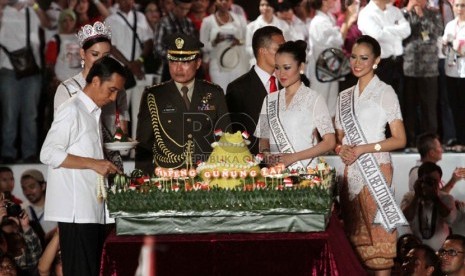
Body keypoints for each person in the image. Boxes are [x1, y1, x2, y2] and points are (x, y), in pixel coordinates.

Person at [40, 56, 125, 276]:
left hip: (90, 210)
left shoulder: (91, 113)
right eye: (111, 90)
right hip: (77, 214)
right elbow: (48, 152)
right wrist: (94, 163)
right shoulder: (72, 110)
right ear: (95, 81)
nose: (113, 97)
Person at [335, 35, 407, 274]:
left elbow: (400, 139)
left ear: (376, 60)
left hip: (375, 166)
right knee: (354, 233)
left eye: (364, 58)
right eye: (354, 57)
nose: (357, 62)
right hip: (350, 170)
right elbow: (338, 138)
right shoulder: (344, 96)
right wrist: (340, 148)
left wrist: (365, 148)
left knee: (379, 234)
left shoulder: (385, 92)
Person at [135, 33, 230, 174]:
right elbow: (144, 144)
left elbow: (226, 138)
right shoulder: (154, 95)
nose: (178, 68)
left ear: (197, 63)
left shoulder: (214, 93)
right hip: (168, 177)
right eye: (173, 62)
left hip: (207, 176)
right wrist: (142, 179)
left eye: (185, 62)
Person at [54, 21, 129, 170]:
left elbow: (122, 128)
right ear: (83, 53)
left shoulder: (117, 88)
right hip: (82, 162)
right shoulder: (67, 89)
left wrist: (119, 139)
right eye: (95, 54)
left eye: (106, 55)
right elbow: (60, 137)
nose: (100, 60)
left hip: (111, 160)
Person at [254, 40, 336, 169]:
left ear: (301, 67)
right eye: (277, 68)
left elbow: (330, 142)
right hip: (276, 173)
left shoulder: (314, 98)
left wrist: (293, 157)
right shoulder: (269, 100)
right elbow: (263, 137)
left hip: (306, 173)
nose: (281, 74)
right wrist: (266, 154)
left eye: (287, 67)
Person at [0, 0, 51, 163]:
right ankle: (8, 153)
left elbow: (48, 24)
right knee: (9, 114)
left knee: (31, 114)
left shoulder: (31, 10)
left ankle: (29, 153)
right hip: (8, 68)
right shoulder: (3, 11)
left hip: (32, 68)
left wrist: (35, 5)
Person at [226, 26, 285, 155]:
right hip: (255, 165)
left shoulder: (290, 83)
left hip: (291, 162)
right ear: (262, 51)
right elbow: (234, 134)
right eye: (279, 49)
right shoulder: (238, 89)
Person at [105, 0, 154, 139]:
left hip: (139, 70)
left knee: (140, 110)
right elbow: (110, 46)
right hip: (120, 70)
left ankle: (137, 148)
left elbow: (148, 41)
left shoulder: (140, 17)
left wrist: (139, 61)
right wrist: (129, 64)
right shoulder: (110, 19)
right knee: (119, 110)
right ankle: (120, 147)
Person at [402, 0, 443, 148]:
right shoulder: (403, 14)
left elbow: (437, 32)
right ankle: (410, 141)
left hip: (429, 67)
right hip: (410, 66)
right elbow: (402, 33)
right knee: (410, 107)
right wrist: (408, 11)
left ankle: (431, 142)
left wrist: (422, 16)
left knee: (429, 108)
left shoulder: (434, 13)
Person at [357, 0, 411, 100]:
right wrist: (397, 31)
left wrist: (386, 29)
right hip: (379, 66)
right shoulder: (366, 13)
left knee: (398, 103)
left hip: (397, 63)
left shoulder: (395, 11)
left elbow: (407, 30)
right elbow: (378, 35)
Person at [199, 0, 248, 92]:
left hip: (238, 63)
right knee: (220, 94)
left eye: (227, 0)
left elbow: (247, 40)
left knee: (237, 94)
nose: (224, 2)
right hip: (217, 65)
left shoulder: (240, 19)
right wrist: (215, 42)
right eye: (221, 0)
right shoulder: (207, 21)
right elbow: (202, 46)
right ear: (215, 2)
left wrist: (239, 41)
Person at [402, 172, 457, 251]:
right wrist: (416, 196)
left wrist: (435, 198)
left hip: (441, 251)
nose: (427, 186)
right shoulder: (409, 197)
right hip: (416, 251)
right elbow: (405, 219)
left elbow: (450, 219)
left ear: (438, 184)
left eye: (431, 182)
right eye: (423, 182)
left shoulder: (446, 198)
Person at [153, 0, 196, 82]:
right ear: (174, 6)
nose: (184, 12)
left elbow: (193, 44)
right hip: (168, 68)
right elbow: (158, 48)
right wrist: (175, 57)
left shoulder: (188, 22)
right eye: (182, 8)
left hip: (186, 67)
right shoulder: (164, 22)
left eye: (187, 9)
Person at [443, 0, 465, 148]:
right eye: (457, 5)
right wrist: (445, 45)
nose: (459, 9)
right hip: (451, 70)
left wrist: (458, 46)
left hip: (464, 71)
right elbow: (445, 50)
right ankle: (458, 138)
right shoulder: (450, 25)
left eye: (463, 5)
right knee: (454, 106)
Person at [245, 0, 292, 67]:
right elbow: (248, 48)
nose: (265, 8)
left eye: (268, 5)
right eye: (262, 5)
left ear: (273, 7)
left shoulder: (283, 25)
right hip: (258, 64)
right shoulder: (251, 27)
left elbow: (288, 45)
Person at [20, 169, 58, 247]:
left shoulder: (57, 207)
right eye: (24, 188)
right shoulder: (22, 209)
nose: (28, 192)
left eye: (32, 186)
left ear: (43, 186)